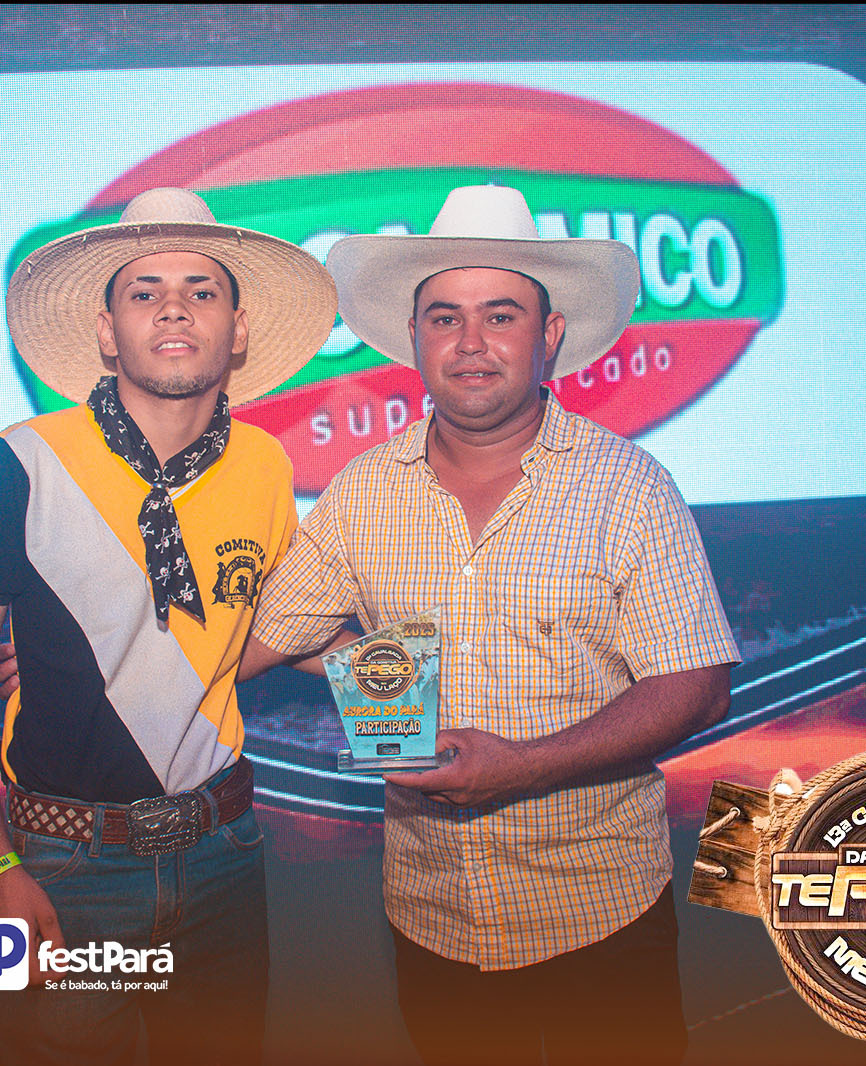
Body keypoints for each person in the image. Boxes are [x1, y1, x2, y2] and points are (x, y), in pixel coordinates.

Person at [245, 185, 742, 1066]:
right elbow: (263, 637)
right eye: (444, 318)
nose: (469, 342)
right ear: (414, 338)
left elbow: (696, 687)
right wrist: (81, 656)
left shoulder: (628, 487)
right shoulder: (362, 492)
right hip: (431, 914)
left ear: (549, 336)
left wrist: (523, 765)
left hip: (599, 913)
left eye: (499, 315)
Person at [0, 186, 336, 1066]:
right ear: (108, 331)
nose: (173, 309)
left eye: (201, 290)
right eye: (144, 291)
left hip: (226, 849)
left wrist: (407, 675)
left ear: (237, 329)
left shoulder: (265, 463)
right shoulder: (21, 459)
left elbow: (271, 629)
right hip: (55, 859)